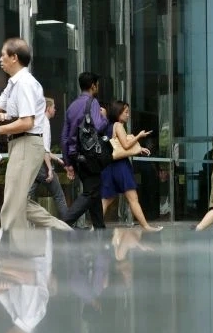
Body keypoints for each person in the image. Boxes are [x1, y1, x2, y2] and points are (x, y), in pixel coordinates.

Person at [0, 37, 71, 233]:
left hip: (26, 143)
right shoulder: (13, 84)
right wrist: (3, 116)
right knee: (19, 202)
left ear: (14, 57)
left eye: (3, 54)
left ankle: (15, 254)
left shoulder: (25, 84)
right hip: (20, 144)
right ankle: (66, 233)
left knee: (11, 206)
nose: (0, 59)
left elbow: (27, 122)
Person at [101, 100, 162, 232]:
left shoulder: (109, 126)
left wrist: (139, 148)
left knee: (107, 199)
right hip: (121, 166)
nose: (128, 115)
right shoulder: (118, 125)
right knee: (133, 198)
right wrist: (139, 136)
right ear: (118, 113)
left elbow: (118, 145)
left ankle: (96, 225)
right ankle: (146, 226)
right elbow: (126, 145)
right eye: (126, 112)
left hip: (110, 166)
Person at [60, 72, 109, 230]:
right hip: (90, 156)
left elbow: (65, 136)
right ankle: (62, 224)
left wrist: (68, 162)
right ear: (93, 85)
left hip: (76, 157)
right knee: (90, 192)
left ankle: (100, 228)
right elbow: (99, 126)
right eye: (97, 85)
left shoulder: (72, 106)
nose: (98, 88)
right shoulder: (92, 102)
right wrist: (105, 117)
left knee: (94, 190)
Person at [28, 97, 68, 220]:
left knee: (27, 197)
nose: (55, 109)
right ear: (48, 108)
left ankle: (18, 223)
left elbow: (44, 149)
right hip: (42, 166)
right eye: (54, 107)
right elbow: (44, 149)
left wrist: (57, 159)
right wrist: (50, 169)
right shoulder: (45, 123)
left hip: (35, 164)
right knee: (59, 195)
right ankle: (68, 223)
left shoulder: (38, 122)